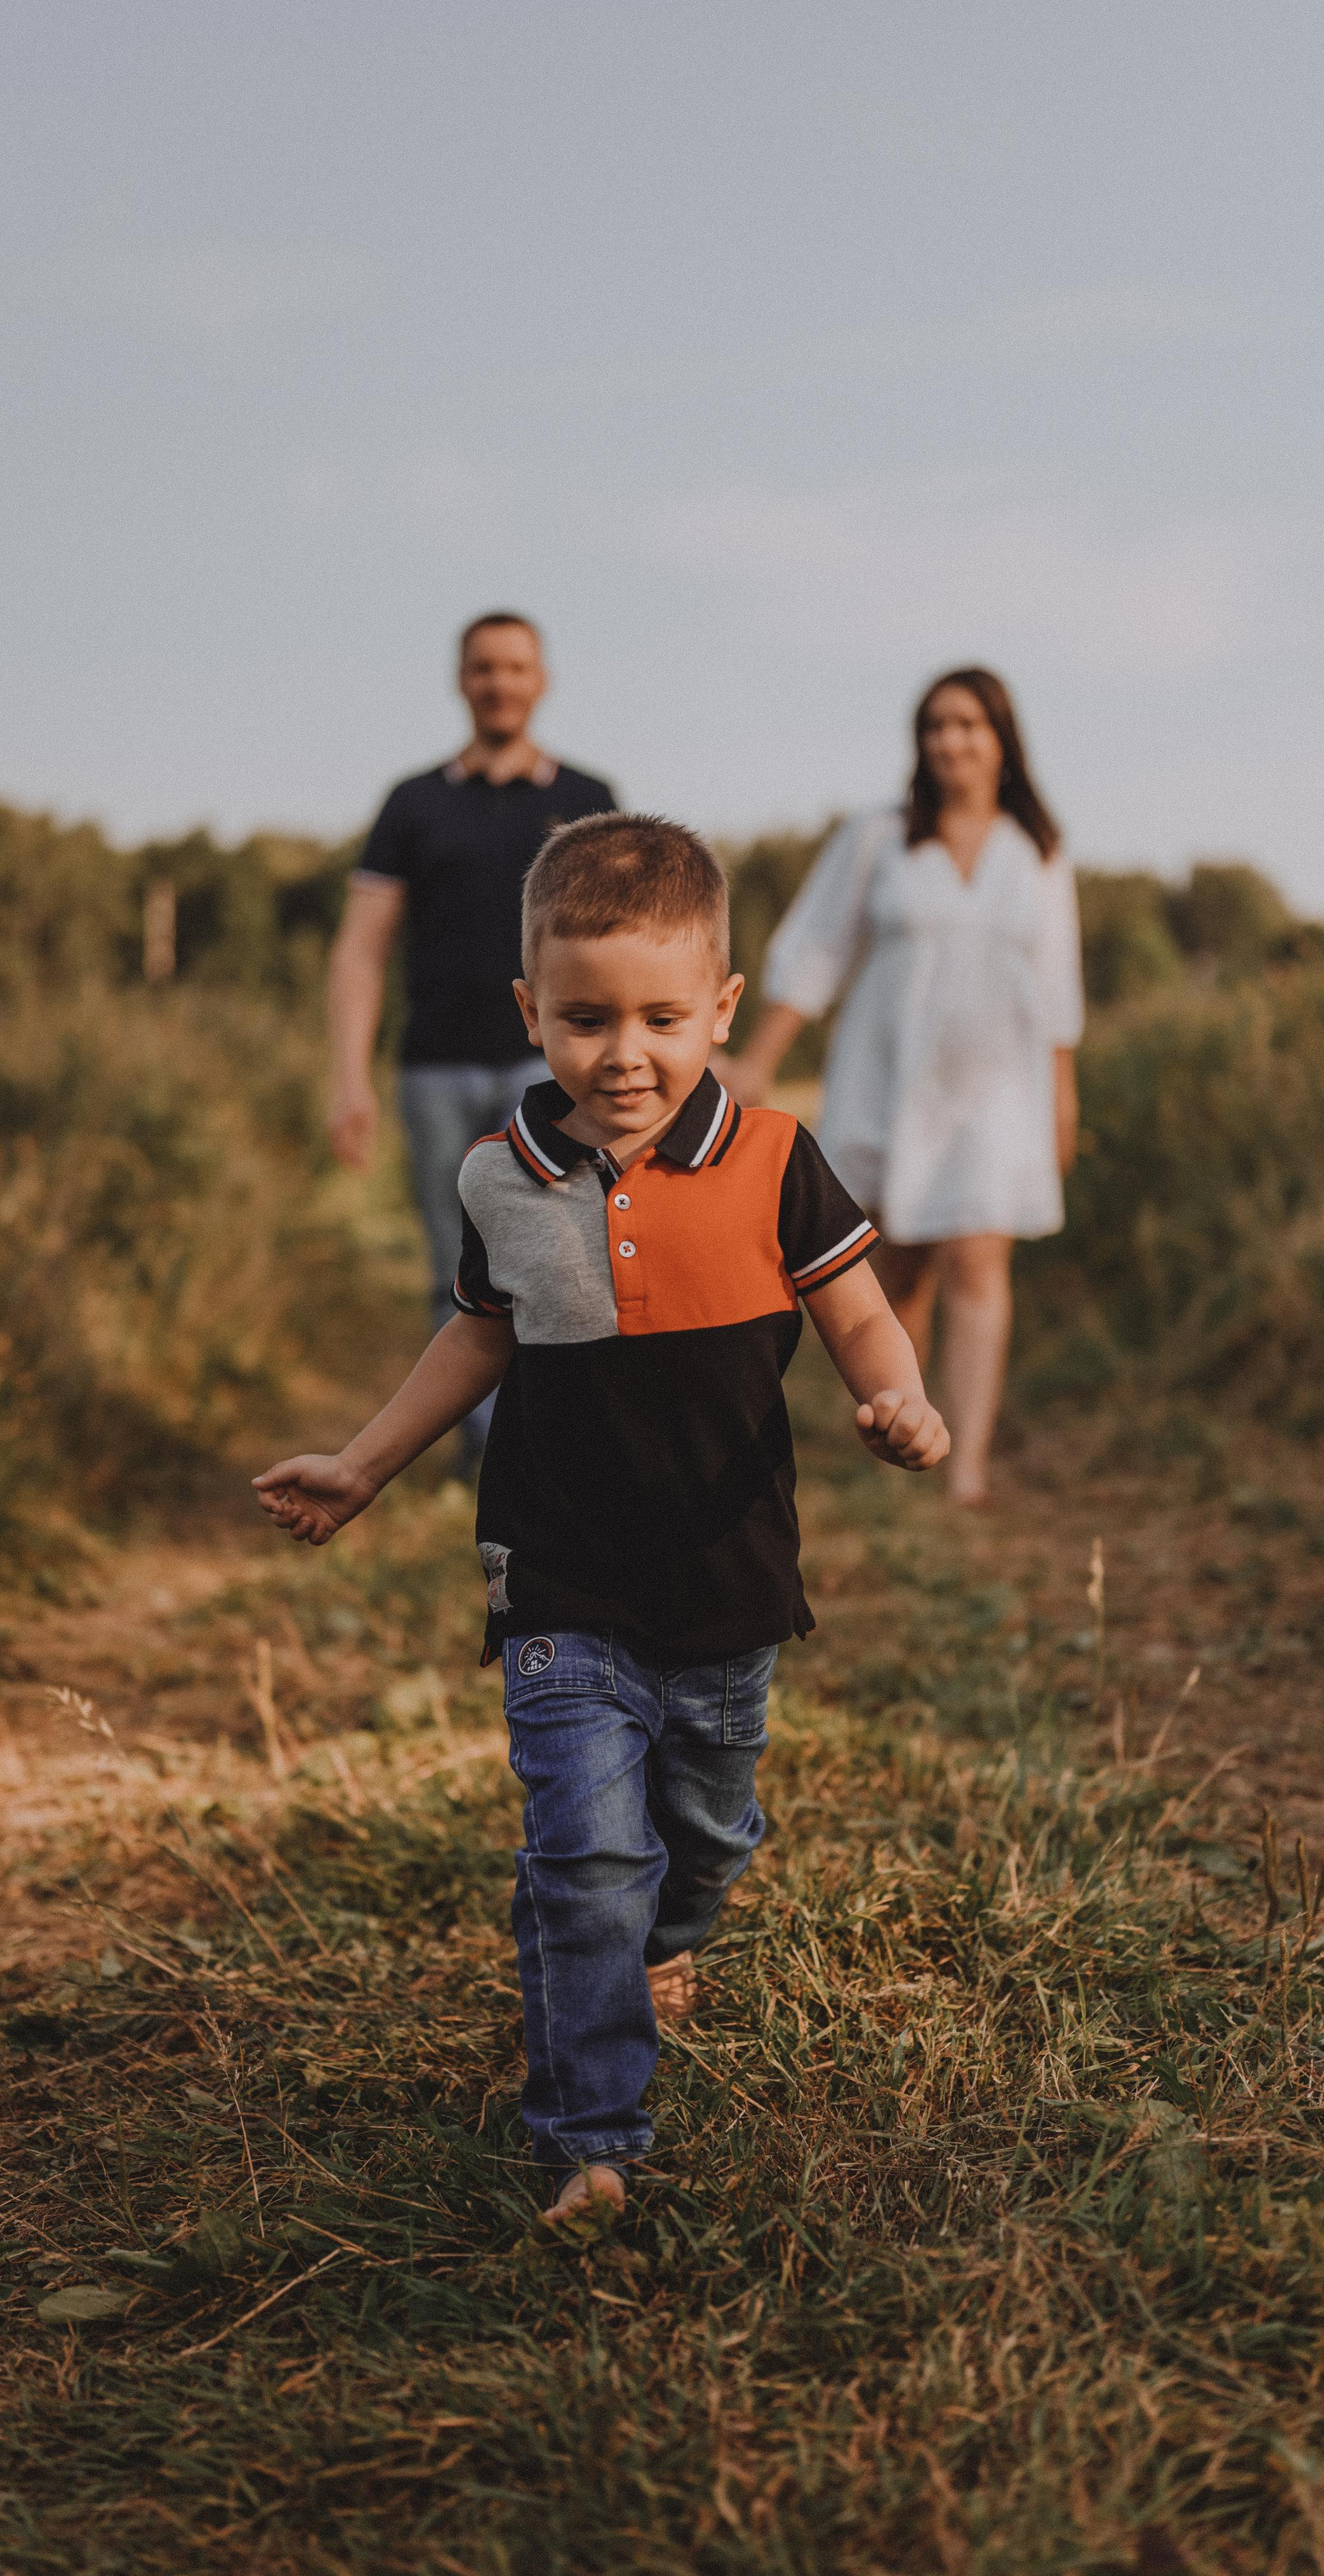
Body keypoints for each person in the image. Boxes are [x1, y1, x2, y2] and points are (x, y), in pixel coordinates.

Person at [254, 813, 949, 2230]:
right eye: (581, 1020)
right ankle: (591, 2140)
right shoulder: (500, 1174)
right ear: (530, 1012)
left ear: (721, 1011)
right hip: (556, 1572)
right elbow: (474, 1338)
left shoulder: (770, 1157)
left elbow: (859, 1312)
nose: (620, 1053)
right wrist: (368, 1462)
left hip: (726, 1576)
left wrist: (899, 1402)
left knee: (704, 1830)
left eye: (658, 1018)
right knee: (582, 1856)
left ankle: (664, 1939)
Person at [718, 667, 1083, 1508]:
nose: (951, 740)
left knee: (979, 1262)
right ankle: (901, 1431)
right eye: (935, 725)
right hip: (891, 1085)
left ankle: (969, 1468)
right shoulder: (879, 836)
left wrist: (1062, 1095)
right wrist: (761, 1056)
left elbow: (1056, 984)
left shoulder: (1038, 852)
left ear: (1001, 738)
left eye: (968, 724)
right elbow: (815, 951)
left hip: (998, 1089)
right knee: (898, 1275)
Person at [327, 612, 616, 1466]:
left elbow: (629, 943)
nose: (500, 682)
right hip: (435, 1068)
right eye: (485, 668)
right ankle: (484, 1456)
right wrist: (349, 1078)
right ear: (462, 680)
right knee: (456, 1269)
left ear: (542, 679)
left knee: (561, 1260)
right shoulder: (413, 804)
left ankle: (555, 1447)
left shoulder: (588, 800)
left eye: (517, 667)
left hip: (552, 1063)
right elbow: (359, 949)